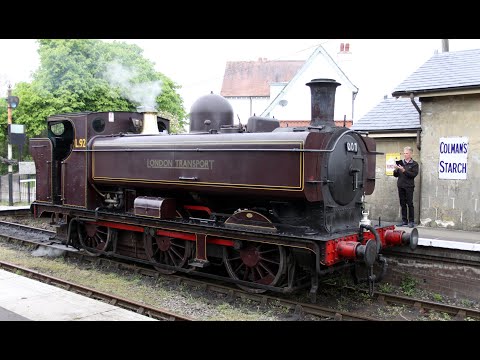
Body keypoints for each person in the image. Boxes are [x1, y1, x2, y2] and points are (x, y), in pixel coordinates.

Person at [393, 146, 419, 228]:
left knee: (410, 203)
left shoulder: (414, 164)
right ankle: (404, 220)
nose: (405, 155)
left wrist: (404, 170)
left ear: (411, 154)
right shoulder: (400, 162)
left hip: (409, 186)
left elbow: (413, 175)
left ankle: (411, 221)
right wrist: (396, 169)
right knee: (402, 203)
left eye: (407, 153)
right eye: (404, 153)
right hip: (400, 185)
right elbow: (395, 175)